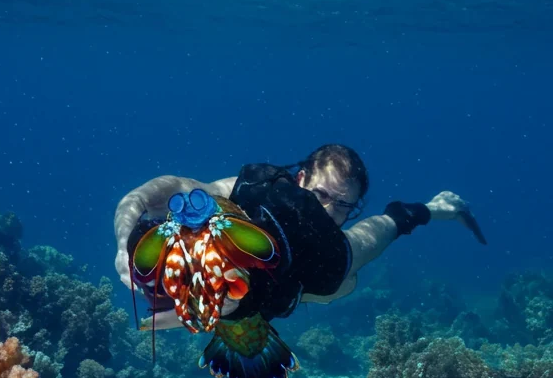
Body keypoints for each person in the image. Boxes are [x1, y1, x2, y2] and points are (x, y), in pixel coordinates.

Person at [112, 143, 485, 332]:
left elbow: (385, 227)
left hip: (321, 274)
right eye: (322, 195)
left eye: (342, 205)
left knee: (365, 256)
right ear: (301, 179)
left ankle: (440, 206)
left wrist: (429, 211)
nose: (327, 211)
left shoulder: (336, 253)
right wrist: (122, 242)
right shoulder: (253, 189)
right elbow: (149, 194)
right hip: (234, 267)